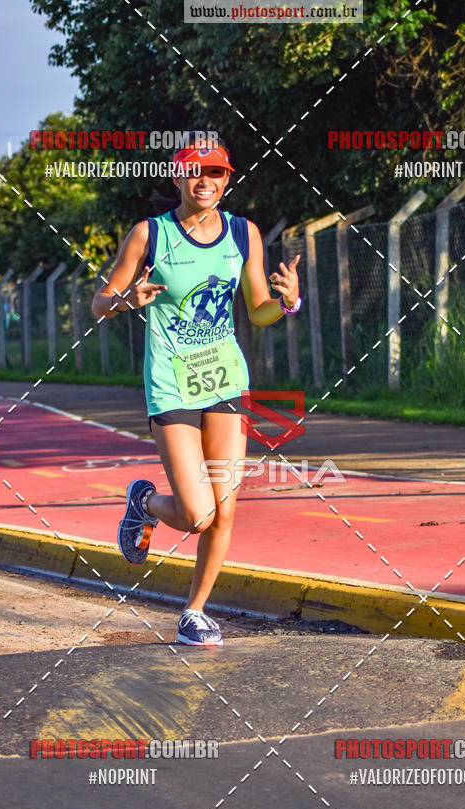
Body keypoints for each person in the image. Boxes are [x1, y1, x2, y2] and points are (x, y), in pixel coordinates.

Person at [91, 134, 301, 646]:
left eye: (217, 172)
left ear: (228, 180)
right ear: (176, 173)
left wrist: (287, 303)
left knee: (225, 508)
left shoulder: (243, 233)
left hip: (226, 381)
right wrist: (128, 300)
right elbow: (99, 303)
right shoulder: (150, 234)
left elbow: (258, 310)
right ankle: (144, 503)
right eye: (194, 169)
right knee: (196, 513)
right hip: (172, 385)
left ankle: (195, 612)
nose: (205, 180)